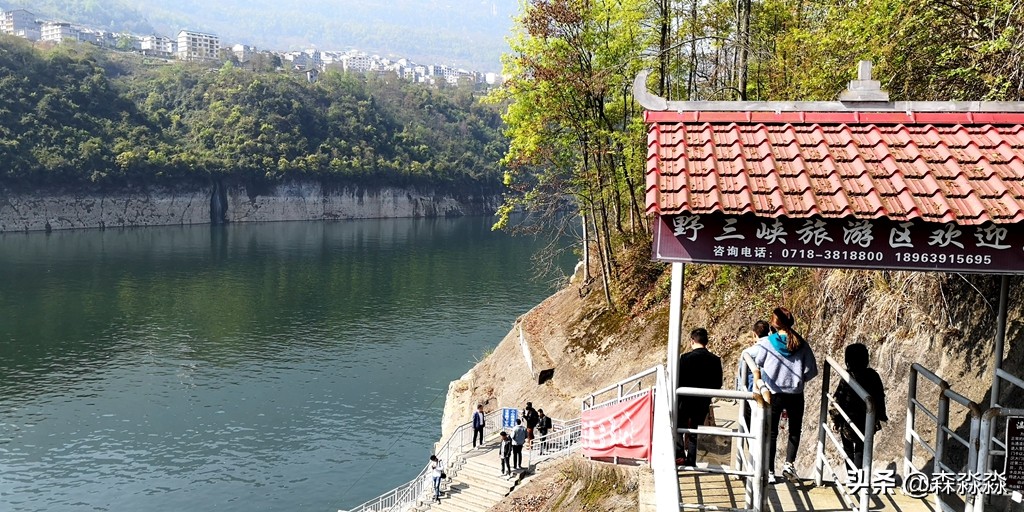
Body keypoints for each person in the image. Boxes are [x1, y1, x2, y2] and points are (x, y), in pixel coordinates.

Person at [751, 306, 818, 484]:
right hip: (795, 393)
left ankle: (770, 471)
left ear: (773, 324)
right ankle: (789, 464)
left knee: (771, 433)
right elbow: (811, 371)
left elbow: (758, 362)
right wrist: (797, 379)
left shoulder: (767, 342)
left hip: (773, 393)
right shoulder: (801, 343)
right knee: (794, 430)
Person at [832, 343, 887, 469]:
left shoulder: (848, 376)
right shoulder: (873, 375)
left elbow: (838, 398)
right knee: (861, 449)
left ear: (847, 360)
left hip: (848, 419)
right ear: (866, 358)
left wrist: (835, 419)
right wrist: (880, 415)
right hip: (866, 419)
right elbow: (879, 396)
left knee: (848, 449)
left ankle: (852, 477)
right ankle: (859, 477)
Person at [676, 327, 723, 467]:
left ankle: (679, 456)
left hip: (684, 399)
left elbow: (677, 380)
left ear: (692, 341)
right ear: (706, 341)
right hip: (703, 400)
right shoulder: (715, 360)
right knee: (696, 430)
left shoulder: (684, 358)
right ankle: (692, 460)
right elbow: (718, 383)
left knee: (679, 428)